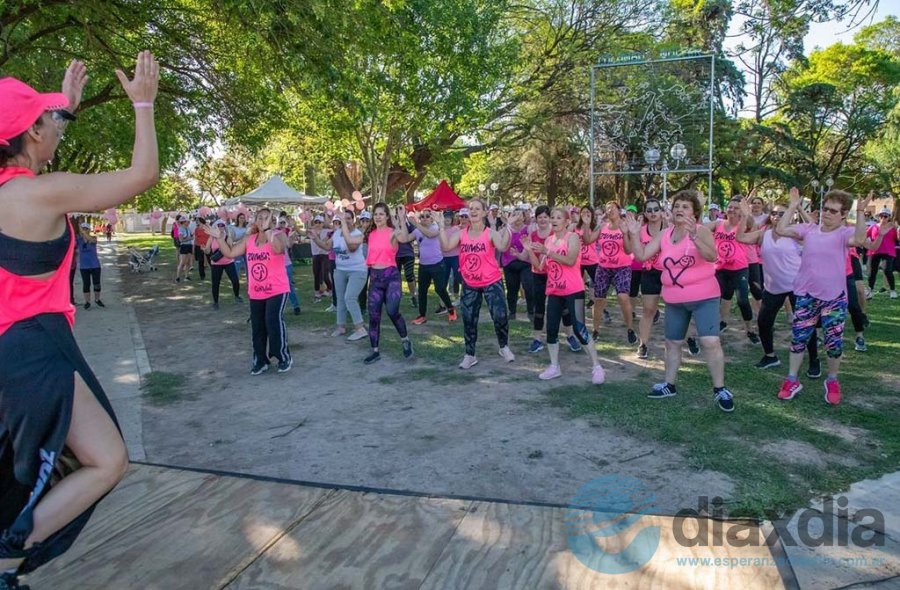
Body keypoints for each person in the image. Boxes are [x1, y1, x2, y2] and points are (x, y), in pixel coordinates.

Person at [0, 52, 158, 588]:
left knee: (24, 475)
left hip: (9, 351)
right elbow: (142, 175)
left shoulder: (13, 191)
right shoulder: (40, 194)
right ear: (31, 131)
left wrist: (62, 109)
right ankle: (6, 557)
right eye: (46, 119)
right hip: (35, 346)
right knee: (107, 459)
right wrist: (142, 103)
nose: (54, 126)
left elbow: (38, 147)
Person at [625, 190, 736, 413]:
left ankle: (720, 389)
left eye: (685, 207)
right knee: (672, 343)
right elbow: (642, 255)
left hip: (704, 297)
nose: (679, 210)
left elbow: (712, 257)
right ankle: (669, 384)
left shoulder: (702, 231)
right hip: (675, 299)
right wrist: (635, 234)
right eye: (677, 206)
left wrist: (695, 236)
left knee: (710, 342)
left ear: (695, 212)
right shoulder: (665, 234)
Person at [774, 188, 872, 404]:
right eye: (825, 208)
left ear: (843, 214)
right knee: (799, 339)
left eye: (833, 211)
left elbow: (860, 238)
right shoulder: (809, 229)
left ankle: (832, 380)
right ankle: (791, 379)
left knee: (833, 342)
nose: (827, 213)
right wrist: (792, 206)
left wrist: (862, 211)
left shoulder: (844, 234)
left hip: (834, 298)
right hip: (806, 295)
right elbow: (781, 230)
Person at [735, 201, 820, 374]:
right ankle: (770, 356)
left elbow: (814, 229)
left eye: (782, 214)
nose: (776, 216)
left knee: (804, 324)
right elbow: (741, 238)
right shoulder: (763, 234)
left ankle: (814, 360)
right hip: (773, 287)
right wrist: (744, 216)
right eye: (774, 213)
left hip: (798, 286)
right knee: (764, 323)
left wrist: (796, 206)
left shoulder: (795, 233)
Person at [206, 208, 293, 375]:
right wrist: (219, 238)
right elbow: (230, 253)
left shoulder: (279, 235)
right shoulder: (249, 239)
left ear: (272, 222)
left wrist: (268, 231)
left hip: (277, 289)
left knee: (272, 321)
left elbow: (277, 249)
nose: (262, 221)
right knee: (258, 326)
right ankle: (260, 360)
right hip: (256, 291)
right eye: (259, 218)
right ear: (255, 220)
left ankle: (283, 357)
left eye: (266, 219)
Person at [524, 208, 605, 383]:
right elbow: (540, 267)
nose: (554, 220)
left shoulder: (572, 237)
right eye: (552, 217)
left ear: (567, 221)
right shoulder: (549, 240)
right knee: (551, 329)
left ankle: (596, 366)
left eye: (558, 217)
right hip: (554, 291)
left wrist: (548, 252)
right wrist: (529, 250)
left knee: (579, 329)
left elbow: (570, 260)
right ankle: (554, 366)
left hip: (574, 291)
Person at [437, 199, 515, 369]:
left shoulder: (490, 233)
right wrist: (441, 227)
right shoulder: (461, 233)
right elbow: (446, 247)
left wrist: (508, 228)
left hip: (491, 281)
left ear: (484, 212)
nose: (473, 211)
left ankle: (504, 347)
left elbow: (502, 247)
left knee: (500, 316)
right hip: (470, 283)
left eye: (477, 209)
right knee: (469, 320)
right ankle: (470, 355)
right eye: (470, 208)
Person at [362, 203, 414, 364]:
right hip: (375, 277)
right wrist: (342, 222)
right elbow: (351, 240)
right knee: (374, 315)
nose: (378, 217)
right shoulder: (370, 234)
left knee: (392, 311)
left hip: (391, 276)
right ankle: (375, 350)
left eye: (381, 214)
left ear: (386, 217)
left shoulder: (392, 232)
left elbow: (404, 238)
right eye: (375, 214)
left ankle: (405, 340)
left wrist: (402, 217)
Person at [707, 197, 759, 344]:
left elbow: (751, 225)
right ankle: (722, 322)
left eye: (736, 208)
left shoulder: (744, 224)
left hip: (739, 268)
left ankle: (750, 330)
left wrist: (746, 213)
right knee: (721, 298)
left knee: (743, 300)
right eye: (730, 207)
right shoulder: (718, 224)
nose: (732, 210)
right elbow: (701, 228)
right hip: (720, 268)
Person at [585, 201, 636, 344]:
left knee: (623, 297)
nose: (610, 210)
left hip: (622, 267)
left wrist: (625, 233)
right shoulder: (602, 227)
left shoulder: (625, 226)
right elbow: (588, 240)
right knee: (599, 299)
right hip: (603, 267)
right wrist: (587, 224)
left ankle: (630, 328)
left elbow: (628, 250)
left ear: (619, 210)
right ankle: (595, 330)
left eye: (613, 208)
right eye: (607, 209)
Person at [314, 209, 368, 341]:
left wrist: (343, 226)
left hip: (357, 270)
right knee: (340, 299)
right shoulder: (337, 233)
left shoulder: (358, 233)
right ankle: (340, 327)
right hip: (340, 270)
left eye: (348, 218)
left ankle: (360, 329)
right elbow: (327, 247)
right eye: (344, 218)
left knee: (349, 297)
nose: (346, 220)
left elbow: (352, 248)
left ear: (353, 220)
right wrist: (314, 238)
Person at [410, 210, 456, 324]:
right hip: (423, 265)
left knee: (439, 289)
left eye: (427, 216)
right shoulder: (418, 230)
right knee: (422, 291)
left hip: (437, 264)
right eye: (422, 216)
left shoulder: (436, 227)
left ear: (432, 218)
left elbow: (429, 235)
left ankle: (451, 309)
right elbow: (404, 238)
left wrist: (416, 223)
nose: (424, 218)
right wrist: (400, 221)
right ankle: (422, 315)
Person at [634, 199, 666, 359]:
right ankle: (643, 344)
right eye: (649, 210)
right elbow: (634, 251)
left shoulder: (669, 229)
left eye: (656, 209)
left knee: (677, 308)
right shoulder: (641, 230)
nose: (653, 212)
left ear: (661, 212)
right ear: (645, 213)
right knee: (648, 310)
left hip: (669, 273)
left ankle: (688, 338)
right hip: (649, 272)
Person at [202, 218, 243, 310]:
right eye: (219, 226)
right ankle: (215, 302)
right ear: (216, 227)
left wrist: (228, 242)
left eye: (222, 226)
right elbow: (208, 250)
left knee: (235, 280)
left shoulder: (227, 237)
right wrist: (205, 249)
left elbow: (231, 248)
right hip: (216, 263)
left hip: (228, 262)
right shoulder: (212, 237)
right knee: (215, 283)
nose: (221, 227)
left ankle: (237, 296)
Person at [501, 209, 533, 322]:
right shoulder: (506, 229)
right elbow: (499, 241)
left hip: (525, 262)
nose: (517, 217)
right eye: (515, 214)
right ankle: (512, 312)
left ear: (524, 217)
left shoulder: (528, 229)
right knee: (511, 289)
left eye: (520, 215)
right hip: (509, 263)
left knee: (528, 286)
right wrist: (507, 225)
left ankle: (531, 312)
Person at [864, 209, 897, 299]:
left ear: (889, 217)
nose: (883, 218)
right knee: (872, 271)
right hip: (875, 251)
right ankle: (870, 290)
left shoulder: (892, 228)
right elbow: (865, 236)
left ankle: (893, 290)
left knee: (887, 270)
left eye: (885, 216)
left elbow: (896, 239)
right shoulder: (873, 227)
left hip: (888, 252)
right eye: (881, 216)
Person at [75, 222, 104, 309]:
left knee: (97, 284)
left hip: (95, 265)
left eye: (86, 228)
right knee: (86, 284)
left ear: (89, 230)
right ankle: (87, 302)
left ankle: (97, 299)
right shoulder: (78, 240)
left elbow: (93, 241)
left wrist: (83, 233)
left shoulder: (93, 238)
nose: (84, 230)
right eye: (83, 228)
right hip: (84, 266)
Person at [278, 217, 302, 315]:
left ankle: (296, 306)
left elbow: (289, 245)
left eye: (283, 222)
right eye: (280, 223)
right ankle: (278, 308)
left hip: (286, 264)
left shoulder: (286, 233)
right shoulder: (270, 234)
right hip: (275, 265)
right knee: (277, 287)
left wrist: (291, 237)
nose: (281, 224)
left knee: (289, 286)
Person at [310, 215, 332, 302]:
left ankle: (330, 290)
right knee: (316, 275)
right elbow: (301, 232)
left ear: (323, 223)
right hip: (315, 255)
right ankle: (317, 293)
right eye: (316, 222)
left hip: (325, 255)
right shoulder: (311, 231)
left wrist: (326, 214)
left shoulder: (327, 231)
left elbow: (334, 228)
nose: (318, 224)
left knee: (325, 275)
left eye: (320, 222)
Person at [173, 215, 193, 283]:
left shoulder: (188, 228)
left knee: (188, 263)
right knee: (182, 263)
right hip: (184, 246)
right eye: (187, 221)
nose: (188, 222)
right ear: (183, 222)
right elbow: (181, 240)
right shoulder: (181, 229)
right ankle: (177, 277)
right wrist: (190, 238)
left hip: (189, 245)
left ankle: (186, 276)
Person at [232, 212, 249, 277]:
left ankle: (249, 283)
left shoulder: (247, 228)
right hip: (237, 249)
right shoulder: (234, 228)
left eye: (243, 218)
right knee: (237, 266)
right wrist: (242, 237)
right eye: (240, 218)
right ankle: (236, 283)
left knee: (247, 266)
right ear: (238, 219)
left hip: (246, 249)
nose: (242, 219)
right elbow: (233, 239)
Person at [192, 216, 210, 281]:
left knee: (210, 260)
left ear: (201, 221)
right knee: (200, 261)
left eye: (198, 221)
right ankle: (202, 275)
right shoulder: (196, 229)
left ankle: (215, 273)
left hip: (207, 246)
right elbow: (196, 238)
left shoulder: (207, 228)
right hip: (199, 246)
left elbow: (210, 237)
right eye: (196, 221)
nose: (196, 222)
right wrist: (194, 247)